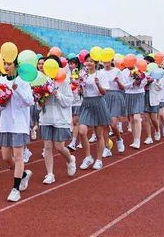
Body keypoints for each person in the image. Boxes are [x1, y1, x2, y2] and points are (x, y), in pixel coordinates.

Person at [0, 58, 34, 202]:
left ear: (16, 65)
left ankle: (15, 189)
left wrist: (17, 89)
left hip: (19, 123)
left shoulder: (23, 81)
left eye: (9, 64)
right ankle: (24, 175)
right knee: (6, 157)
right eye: (4, 63)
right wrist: (1, 101)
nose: (6, 66)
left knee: (18, 156)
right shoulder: (1, 80)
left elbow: (29, 101)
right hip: (5, 123)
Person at [39, 56, 76, 185]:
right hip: (46, 118)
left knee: (59, 146)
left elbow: (69, 101)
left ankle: (70, 159)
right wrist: (40, 97)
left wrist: (57, 94)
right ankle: (50, 174)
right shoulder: (42, 82)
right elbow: (38, 104)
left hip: (61, 118)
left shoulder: (64, 82)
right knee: (47, 147)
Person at [78, 54, 111, 170]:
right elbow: (81, 91)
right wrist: (79, 89)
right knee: (82, 131)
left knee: (99, 134)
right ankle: (88, 157)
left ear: (96, 63)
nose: (89, 63)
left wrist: (98, 84)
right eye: (87, 61)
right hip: (86, 103)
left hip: (98, 103)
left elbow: (104, 93)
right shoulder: (83, 74)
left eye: (91, 61)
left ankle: (99, 160)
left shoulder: (101, 74)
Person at [99, 60, 126, 155]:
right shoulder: (100, 72)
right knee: (105, 124)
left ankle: (119, 139)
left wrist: (118, 81)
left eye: (108, 60)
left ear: (111, 60)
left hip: (115, 96)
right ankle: (107, 148)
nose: (106, 62)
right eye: (104, 60)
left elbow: (123, 87)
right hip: (104, 96)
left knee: (113, 124)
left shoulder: (117, 71)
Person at [66, 57, 83, 151]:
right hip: (70, 101)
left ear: (76, 64)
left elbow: (80, 84)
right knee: (75, 122)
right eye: (69, 63)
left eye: (72, 63)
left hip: (78, 100)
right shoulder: (67, 74)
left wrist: (75, 81)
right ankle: (81, 141)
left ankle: (73, 142)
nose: (70, 65)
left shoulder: (79, 74)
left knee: (75, 121)